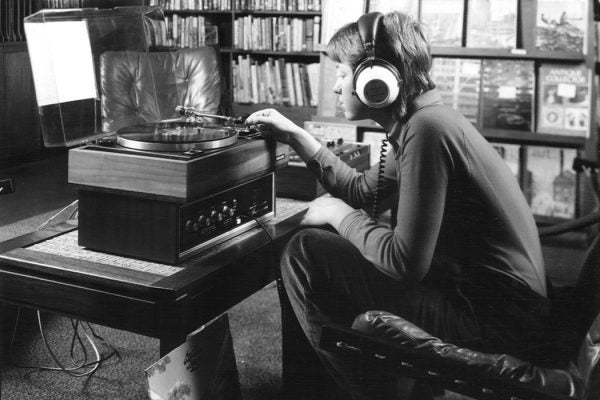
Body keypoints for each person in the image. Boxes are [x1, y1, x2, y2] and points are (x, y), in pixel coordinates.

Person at [246, 11, 554, 400]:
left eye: (342, 74)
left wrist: (340, 215)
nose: (337, 88)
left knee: (305, 250)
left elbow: (404, 262)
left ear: (375, 80)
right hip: (488, 299)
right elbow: (361, 190)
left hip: (496, 319)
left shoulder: (427, 130)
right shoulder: (421, 119)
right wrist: (297, 137)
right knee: (327, 238)